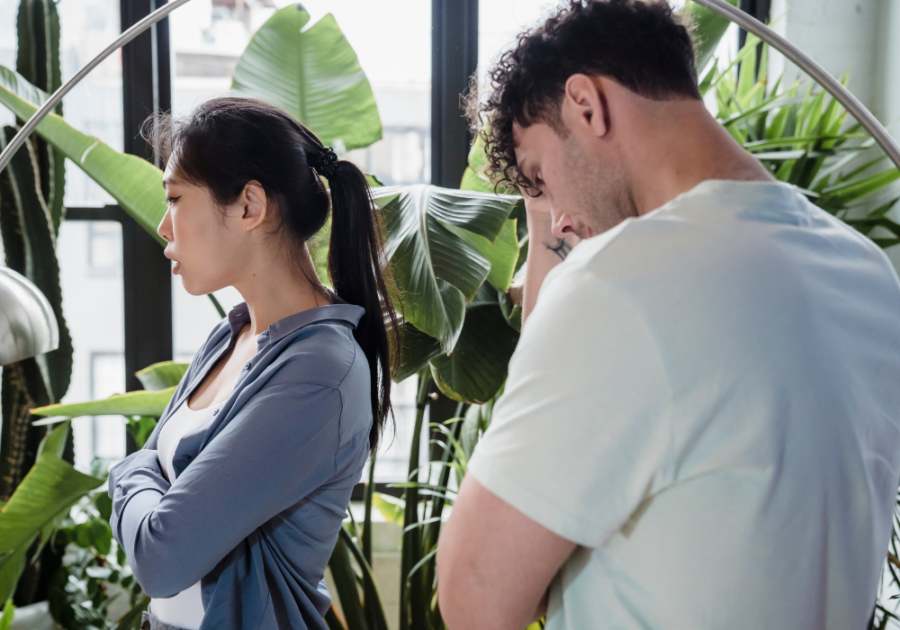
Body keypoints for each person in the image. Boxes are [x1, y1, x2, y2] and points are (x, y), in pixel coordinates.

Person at [436, 1, 900, 629]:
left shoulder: (618, 287)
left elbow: (475, 602)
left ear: (586, 105)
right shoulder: (866, 270)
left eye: (540, 176)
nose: (560, 217)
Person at [106, 96, 399, 630]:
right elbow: (156, 500)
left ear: (249, 206)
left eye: (174, 199)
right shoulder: (233, 333)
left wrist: (125, 471)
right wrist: (140, 473)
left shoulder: (321, 372)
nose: (164, 228)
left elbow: (161, 556)